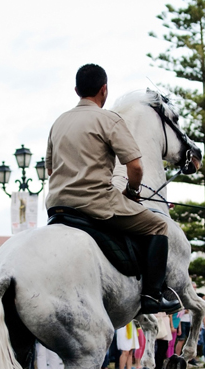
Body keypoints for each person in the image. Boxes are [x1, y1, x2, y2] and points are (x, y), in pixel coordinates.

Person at [45, 63, 182, 315]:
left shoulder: (59, 122)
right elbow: (136, 167)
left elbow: (50, 171)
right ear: (104, 90)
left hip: (56, 206)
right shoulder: (109, 119)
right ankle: (152, 295)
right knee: (159, 225)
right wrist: (131, 192)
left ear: (76, 90)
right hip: (96, 204)